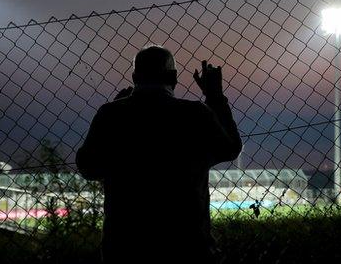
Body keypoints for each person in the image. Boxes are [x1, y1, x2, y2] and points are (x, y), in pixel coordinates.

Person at [75, 45, 242, 263]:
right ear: (173, 77)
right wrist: (215, 96)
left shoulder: (111, 114)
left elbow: (88, 166)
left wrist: (114, 111)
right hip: (188, 245)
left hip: (126, 247)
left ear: (135, 77)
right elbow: (230, 148)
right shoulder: (195, 114)